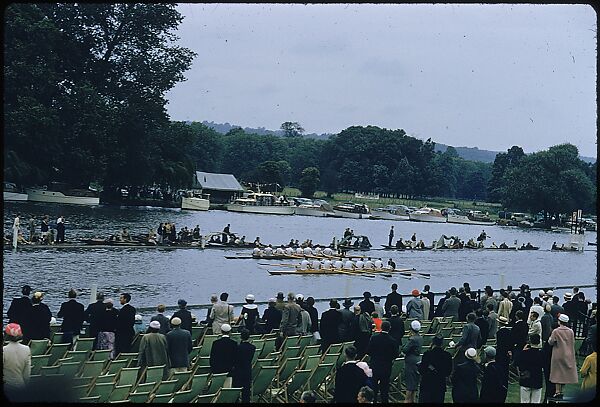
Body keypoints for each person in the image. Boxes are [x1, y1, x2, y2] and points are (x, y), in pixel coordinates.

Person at [366, 321, 398, 403]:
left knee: (374, 387)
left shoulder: (374, 338)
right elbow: (395, 355)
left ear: (381, 327)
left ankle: (374, 401)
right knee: (385, 389)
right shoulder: (392, 341)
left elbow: (368, 351)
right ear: (389, 328)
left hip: (375, 365)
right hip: (386, 367)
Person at [548, 313, 578, 399]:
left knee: (557, 372)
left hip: (558, 353)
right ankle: (562, 390)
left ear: (559, 321)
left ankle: (557, 391)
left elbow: (551, 342)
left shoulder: (556, 331)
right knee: (565, 372)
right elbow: (573, 341)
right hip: (568, 353)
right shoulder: (571, 331)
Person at [418, 334, 452, 403]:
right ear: (442, 343)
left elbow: (422, 370)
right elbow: (448, 371)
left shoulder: (427, 354)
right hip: (440, 384)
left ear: (432, 343)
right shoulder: (447, 355)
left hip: (427, 384)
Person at [3, 323, 31, 399]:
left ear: (6, 335)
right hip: (21, 387)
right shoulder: (26, 349)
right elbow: (27, 374)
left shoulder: (4, 350)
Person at [517, 333, 544, 403]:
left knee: (524, 401)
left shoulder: (524, 353)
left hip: (526, 378)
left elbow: (518, 363)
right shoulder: (541, 354)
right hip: (537, 379)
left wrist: (523, 351)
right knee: (536, 401)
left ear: (530, 341)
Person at [232, 328, 256, 403]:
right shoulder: (252, 347)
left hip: (238, 371)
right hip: (247, 370)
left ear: (241, 336)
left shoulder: (238, 348)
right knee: (246, 392)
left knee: (236, 391)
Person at [401, 320, 423, 403]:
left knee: (410, 383)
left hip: (411, 361)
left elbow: (405, 349)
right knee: (414, 384)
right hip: (417, 360)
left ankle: (407, 401)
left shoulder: (412, 339)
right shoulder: (420, 337)